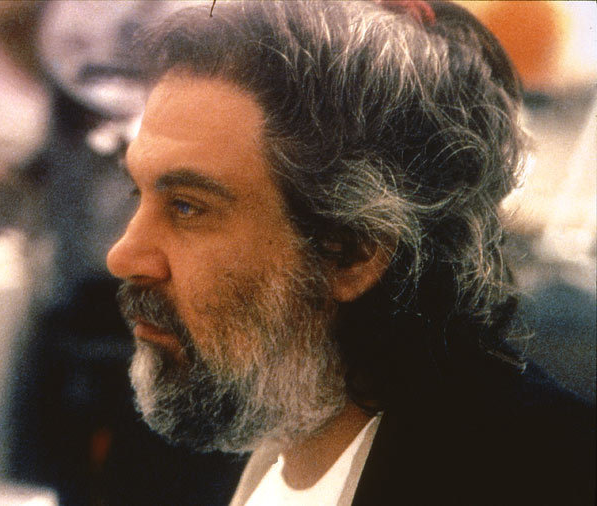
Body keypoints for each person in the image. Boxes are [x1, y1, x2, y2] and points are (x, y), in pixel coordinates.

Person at [105, 1, 596, 505]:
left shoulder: (542, 477)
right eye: (137, 192)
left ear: (353, 254)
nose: (122, 256)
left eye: (187, 207)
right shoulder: (212, 427)